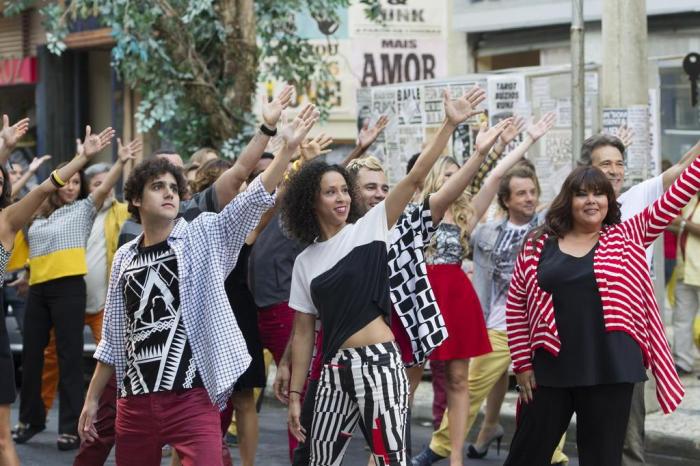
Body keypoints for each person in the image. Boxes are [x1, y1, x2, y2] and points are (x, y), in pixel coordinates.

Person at [77, 105, 319, 466]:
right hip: (135, 400)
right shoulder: (126, 256)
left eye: (174, 187)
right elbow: (113, 337)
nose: (169, 193)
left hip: (192, 397)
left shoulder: (202, 235)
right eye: (158, 187)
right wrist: (93, 398)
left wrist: (284, 149)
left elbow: (251, 198)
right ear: (137, 200)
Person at [283, 88, 496, 465]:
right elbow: (302, 332)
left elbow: (416, 179)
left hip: (380, 363)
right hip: (333, 368)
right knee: (316, 460)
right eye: (329, 192)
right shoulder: (306, 261)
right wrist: (297, 395)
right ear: (310, 202)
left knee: (389, 460)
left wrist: (449, 124)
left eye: (343, 191)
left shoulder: (370, 229)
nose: (340, 198)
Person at [504, 154, 700, 465]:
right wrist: (523, 362)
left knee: (602, 459)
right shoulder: (538, 244)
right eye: (582, 193)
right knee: (525, 456)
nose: (591, 201)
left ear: (610, 200)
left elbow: (677, 194)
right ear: (568, 200)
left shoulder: (628, 235)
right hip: (550, 368)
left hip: (611, 367)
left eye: (599, 193)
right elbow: (516, 306)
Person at [413, 112, 555, 466]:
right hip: (420, 298)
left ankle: (456, 457)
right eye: (448, 175)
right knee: (407, 381)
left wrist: (527, 140)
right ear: (434, 180)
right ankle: (388, 452)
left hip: (456, 298)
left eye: (458, 174)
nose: (456, 180)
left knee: (460, 380)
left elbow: (493, 177)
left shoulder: (466, 214)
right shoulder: (419, 211)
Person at [0, 114, 114, 465]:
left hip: (68, 292)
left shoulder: (8, 220)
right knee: (36, 358)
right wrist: (4, 148)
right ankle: (32, 418)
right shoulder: (37, 220)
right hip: (38, 289)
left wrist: (83, 159)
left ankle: (67, 425)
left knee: (2, 441)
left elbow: (45, 187)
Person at [580, 134, 700, 465]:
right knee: (590, 434)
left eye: (620, 164)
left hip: (627, 334)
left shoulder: (637, 201)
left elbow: (685, 168)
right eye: (606, 164)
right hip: (584, 337)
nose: (615, 171)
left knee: (629, 435)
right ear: (585, 173)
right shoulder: (573, 217)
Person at [40, 140, 140, 417]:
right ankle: (41, 410)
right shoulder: (74, 212)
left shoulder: (121, 212)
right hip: (66, 301)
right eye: (95, 183)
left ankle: (121, 413)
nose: (101, 187)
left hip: (103, 304)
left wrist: (122, 162)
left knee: (115, 359)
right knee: (52, 359)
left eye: (104, 182)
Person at [670, 193, 700, 375]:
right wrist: (673, 224)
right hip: (684, 269)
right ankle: (683, 361)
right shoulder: (690, 201)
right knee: (681, 319)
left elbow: (682, 224)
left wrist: (681, 223)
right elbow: (679, 227)